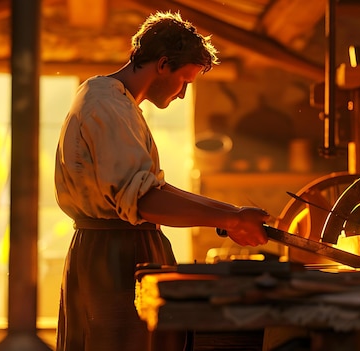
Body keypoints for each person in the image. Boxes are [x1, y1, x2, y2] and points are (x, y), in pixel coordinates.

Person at [54, 11, 270, 351]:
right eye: (184, 80)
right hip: (111, 260)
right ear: (163, 64)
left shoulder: (121, 105)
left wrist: (234, 214)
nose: (183, 94)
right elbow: (145, 201)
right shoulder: (105, 104)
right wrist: (230, 218)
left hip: (124, 251)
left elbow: (153, 190)